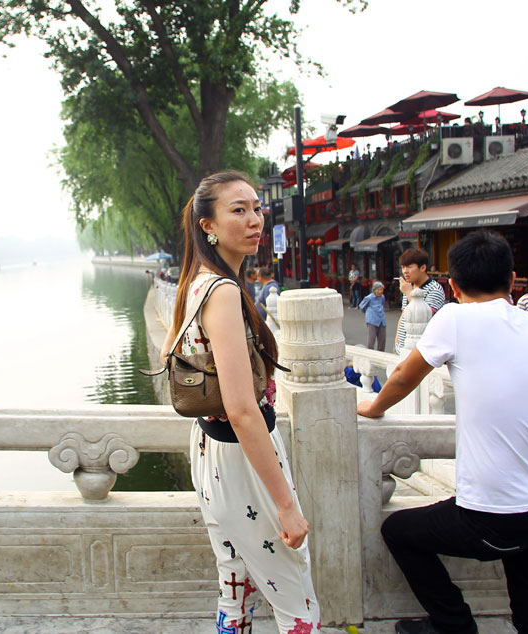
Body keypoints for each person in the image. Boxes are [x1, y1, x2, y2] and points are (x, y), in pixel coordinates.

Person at [358, 230, 528, 634]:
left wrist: (371, 406)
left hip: (491, 517)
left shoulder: (454, 317)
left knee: (398, 531)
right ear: (512, 281)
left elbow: (402, 376)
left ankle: (454, 624)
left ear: (452, 285)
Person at [159, 171, 319, 633]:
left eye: (256, 208)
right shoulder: (224, 291)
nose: (255, 220)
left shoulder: (196, 282)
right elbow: (243, 409)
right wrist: (286, 505)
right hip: (243, 457)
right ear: (207, 225)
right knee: (298, 609)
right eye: (238, 210)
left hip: (211, 454)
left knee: (236, 589)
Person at [394, 248, 445, 354]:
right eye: (403, 267)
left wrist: (408, 293)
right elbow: (404, 313)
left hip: (421, 349)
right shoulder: (409, 286)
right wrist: (398, 336)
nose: (405, 271)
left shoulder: (434, 289)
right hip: (402, 347)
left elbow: (426, 315)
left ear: (423, 267)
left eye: (409, 267)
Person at [359, 281, 386, 351]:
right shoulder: (369, 298)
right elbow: (361, 306)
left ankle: (381, 354)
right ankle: (370, 354)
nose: (380, 291)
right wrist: (369, 313)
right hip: (372, 320)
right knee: (372, 339)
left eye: (381, 289)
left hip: (381, 320)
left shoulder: (382, 297)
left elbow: (382, 305)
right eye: (378, 289)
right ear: (374, 290)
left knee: (382, 339)